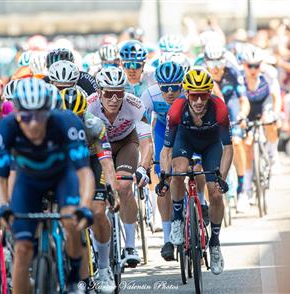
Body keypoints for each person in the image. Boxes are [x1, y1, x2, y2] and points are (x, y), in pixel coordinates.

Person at [0, 78, 94, 293]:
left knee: (71, 221)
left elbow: (84, 173)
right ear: (16, 113)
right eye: (26, 116)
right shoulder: (7, 126)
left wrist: (85, 206)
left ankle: (75, 277)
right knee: (22, 250)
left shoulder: (66, 122)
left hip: (62, 176)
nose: (33, 123)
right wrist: (3, 205)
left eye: (40, 115)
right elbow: (0, 177)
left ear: (49, 112)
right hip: (28, 182)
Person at [157, 68, 233, 275]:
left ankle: (215, 243)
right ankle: (177, 219)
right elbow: (167, 150)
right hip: (185, 141)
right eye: (194, 95)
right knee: (178, 172)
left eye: (203, 95)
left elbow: (228, 148)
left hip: (211, 146)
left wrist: (222, 178)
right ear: (186, 93)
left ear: (210, 94)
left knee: (215, 192)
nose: (199, 101)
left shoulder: (220, 109)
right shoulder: (176, 110)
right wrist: (164, 175)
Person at [87, 66, 153, 267]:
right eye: (109, 94)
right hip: (98, 147)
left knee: (124, 187)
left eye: (119, 93)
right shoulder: (89, 106)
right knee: (95, 195)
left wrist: (142, 167)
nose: (114, 99)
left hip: (126, 143)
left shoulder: (134, 104)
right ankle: (97, 248)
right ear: (99, 93)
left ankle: (130, 246)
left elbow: (146, 142)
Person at [61, 87, 120, 293]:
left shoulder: (95, 125)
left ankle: (103, 268)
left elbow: (106, 163)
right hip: (66, 167)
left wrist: (112, 189)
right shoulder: (52, 125)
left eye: (78, 117)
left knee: (96, 211)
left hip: (92, 163)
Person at [140, 61, 186, 261]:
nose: (169, 92)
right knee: (164, 181)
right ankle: (167, 238)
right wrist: (147, 153)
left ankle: (200, 204)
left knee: (195, 168)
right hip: (162, 130)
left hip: (186, 130)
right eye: (164, 88)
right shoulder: (149, 94)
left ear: (181, 85)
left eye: (174, 87)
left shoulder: (189, 93)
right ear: (157, 85)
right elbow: (142, 127)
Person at [204, 42, 251, 212]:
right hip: (210, 110)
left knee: (237, 142)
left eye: (219, 63)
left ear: (224, 62)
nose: (215, 68)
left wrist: (242, 115)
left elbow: (243, 100)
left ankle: (242, 190)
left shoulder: (233, 73)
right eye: (211, 64)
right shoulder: (202, 74)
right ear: (205, 63)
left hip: (231, 106)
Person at [241, 46, 281, 203]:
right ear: (243, 64)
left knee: (269, 121)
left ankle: (273, 155)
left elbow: (276, 97)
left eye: (256, 65)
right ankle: (248, 187)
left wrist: (276, 114)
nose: (253, 69)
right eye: (249, 66)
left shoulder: (269, 74)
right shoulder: (239, 76)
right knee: (247, 145)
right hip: (248, 106)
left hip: (265, 103)